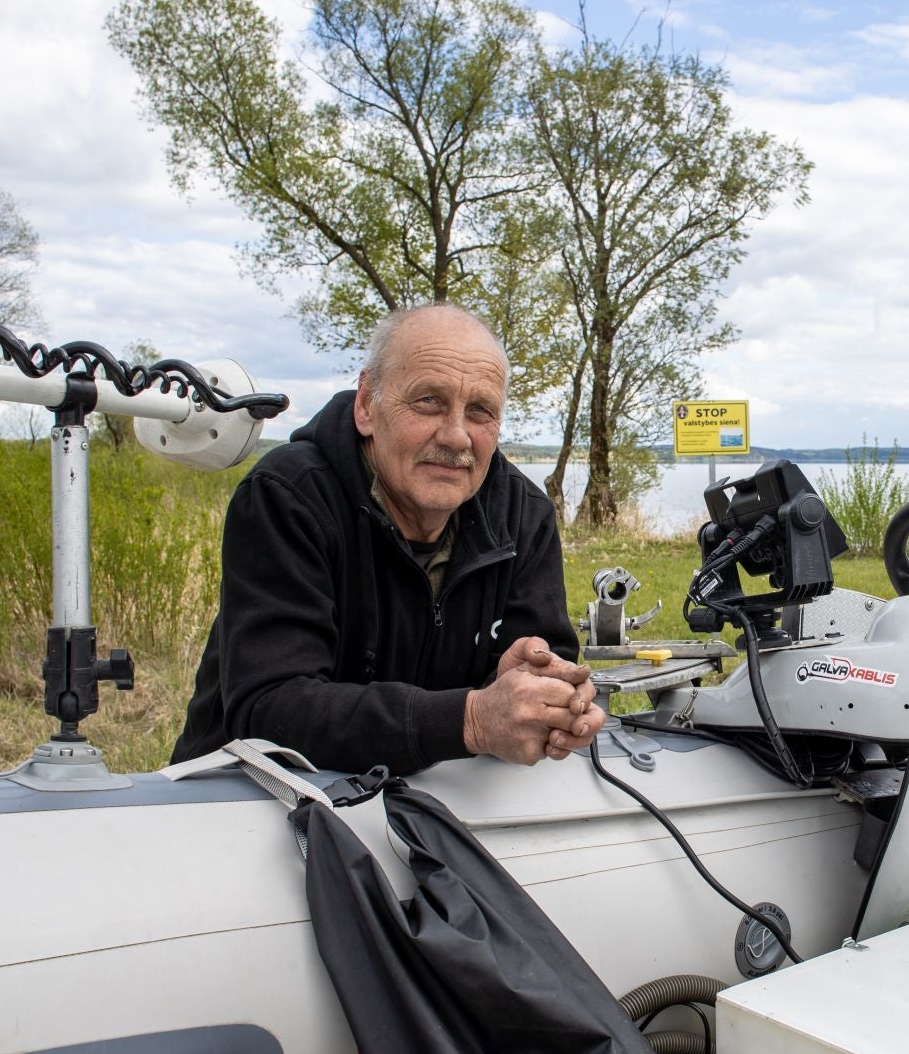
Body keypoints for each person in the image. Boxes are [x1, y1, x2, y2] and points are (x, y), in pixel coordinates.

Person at [173, 303, 605, 774]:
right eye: (428, 401)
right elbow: (269, 707)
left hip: (443, 792)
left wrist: (544, 695)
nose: (457, 437)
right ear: (366, 406)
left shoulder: (522, 515)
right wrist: (470, 720)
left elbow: (549, 665)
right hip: (247, 794)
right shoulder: (288, 497)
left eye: (480, 411)